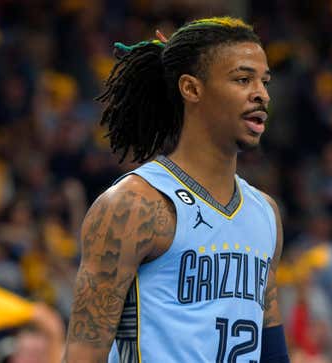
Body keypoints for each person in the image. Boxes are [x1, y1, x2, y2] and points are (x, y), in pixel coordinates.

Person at [62, 16, 289, 363]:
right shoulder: (134, 205)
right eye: (243, 79)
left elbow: (272, 351)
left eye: (264, 80)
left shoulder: (266, 213)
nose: (261, 93)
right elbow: (82, 355)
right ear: (192, 89)